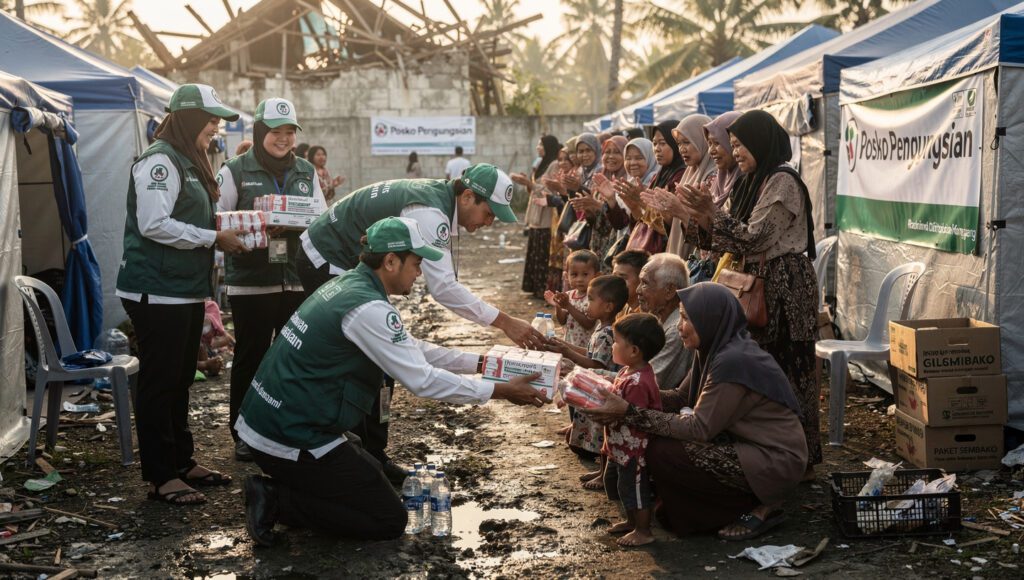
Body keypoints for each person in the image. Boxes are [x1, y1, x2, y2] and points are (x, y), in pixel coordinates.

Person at [239, 217, 550, 545]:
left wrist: (485, 363)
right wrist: (501, 390)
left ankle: (291, 492)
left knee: (372, 479)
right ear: (390, 261)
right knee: (387, 519)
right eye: (416, 264)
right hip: (288, 435)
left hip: (277, 422)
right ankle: (275, 499)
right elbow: (422, 380)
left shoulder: (352, 286)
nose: (419, 273)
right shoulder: (368, 307)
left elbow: (411, 349)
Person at [295, 163, 545, 480]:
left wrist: (482, 360)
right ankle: (349, 454)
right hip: (328, 256)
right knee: (362, 360)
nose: (489, 222)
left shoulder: (438, 200)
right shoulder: (431, 215)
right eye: (489, 213)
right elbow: (443, 288)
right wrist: (505, 322)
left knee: (382, 359)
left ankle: (371, 452)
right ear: (467, 197)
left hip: (346, 258)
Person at [646, 110, 820, 477]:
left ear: (761, 143)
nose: (736, 152)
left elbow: (756, 236)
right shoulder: (750, 180)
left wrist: (710, 213)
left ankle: (796, 457)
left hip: (784, 286)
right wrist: (695, 215)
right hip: (754, 281)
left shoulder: (782, 181)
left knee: (788, 365)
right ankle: (754, 443)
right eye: (734, 144)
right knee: (758, 364)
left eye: (741, 145)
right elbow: (718, 237)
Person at [584, 283, 807, 540]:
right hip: (743, 443)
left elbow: (699, 428)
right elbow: (680, 397)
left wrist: (629, 412)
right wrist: (622, 396)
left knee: (661, 450)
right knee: (655, 440)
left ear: (710, 320)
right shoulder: (715, 349)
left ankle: (759, 506)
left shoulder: (733, 361)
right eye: (680, 317)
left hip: (774, 458)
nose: (679, 326)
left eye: (687, 318)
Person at [115, 83, 247, 505]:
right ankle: (159, 475)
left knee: (180, 380)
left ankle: (182, 461)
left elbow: (192, 216)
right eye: (210, 120)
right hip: (156, 290)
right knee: (160, 381)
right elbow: (154, 224)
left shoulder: (191, 159)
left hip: (185, 290)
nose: (215, 127)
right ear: (188, 119)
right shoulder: (159, 163)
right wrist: (213, 237)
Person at [216, 98, 325, 462]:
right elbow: (216, 218)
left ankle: (288, 428)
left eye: (289, 132)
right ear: (260, 132)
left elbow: (321, 219)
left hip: (295, 278)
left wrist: (297, 224)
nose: (283, 139)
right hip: (252, 280)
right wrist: (256, 226)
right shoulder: (234, 170)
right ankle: (244, 432)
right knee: (252, 355)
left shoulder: (307, 171)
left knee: (295, 356)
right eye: (276, 132)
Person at [548, 275, 629, 487]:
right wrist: (566, 346)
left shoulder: (607, 333)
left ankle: (604, 476)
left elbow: (597, 366)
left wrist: (568, 352)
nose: (587, 303)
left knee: (604, 437)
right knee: (601, 437)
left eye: (592, 299)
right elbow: (590, 353)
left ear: (608, 307)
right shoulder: (601, 329)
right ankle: (601, 473)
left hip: (602, 392)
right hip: (598, 390)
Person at [602, 313, 665, 547]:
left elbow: (633, 415)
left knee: (637, 489)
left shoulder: (638, 381)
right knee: (623, 485)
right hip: (622, 445)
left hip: (635, 448)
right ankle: (631, 522)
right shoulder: (627, 372)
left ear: (634, 350)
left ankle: (644, 530)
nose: (613, 345)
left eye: (617, 341)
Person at [512, 135, 561, 298]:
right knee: (535, 251)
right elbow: (535, 189)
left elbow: (552, 192)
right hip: (535, 213)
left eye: (540, 144)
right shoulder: (541, 163)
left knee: (542, 253)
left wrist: (530, 184)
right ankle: (534, 287)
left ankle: (542, 289)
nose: (538, 147)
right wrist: (527, 184)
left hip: (546, 215)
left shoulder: (554, 164)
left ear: (548, 146)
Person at [637, 253, 691, 391]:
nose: (638, 290)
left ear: (669, 291)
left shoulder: (676, 330)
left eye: (644, 283)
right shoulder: (660, 320)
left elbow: (646, 383)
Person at [665, 114, 715, 257]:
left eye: (687, 142)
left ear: (703, 140)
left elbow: (711, 233)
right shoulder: (689, 173)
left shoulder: (713, 176)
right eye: (679, 143)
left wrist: (680, 211)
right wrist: (667, 213)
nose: (682, 149)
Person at [547, 249, 600, 350]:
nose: (579, 279)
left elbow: (588, 324)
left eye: (585, 274)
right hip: (570, 345)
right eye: (574, 275)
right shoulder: (569, 296)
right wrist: (558, 305)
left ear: (597, 276)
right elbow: (562, 321)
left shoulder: (595, 298)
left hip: (586, 350)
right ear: (567, 276)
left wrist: (567, 305)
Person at [611, 249, 649, 319]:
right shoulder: (622, 308)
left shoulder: (646, 315)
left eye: (622, 278)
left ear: (641, 280)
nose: (615, 283)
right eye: (614, 277)